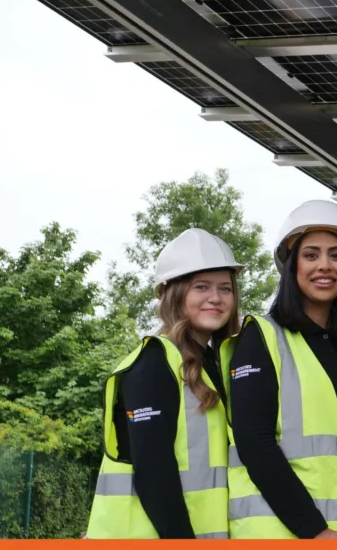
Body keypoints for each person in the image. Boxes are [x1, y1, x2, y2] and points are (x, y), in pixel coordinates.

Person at [220, 200, 337, 539]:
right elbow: (255, 443)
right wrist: (316, 532)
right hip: (278, 533)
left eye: (336, 255)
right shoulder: (261, 338)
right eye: (311, 255)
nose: (324, 266)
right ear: (291, 265)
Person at [86, 228, 243, 539]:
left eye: (225, 288)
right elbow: (153, 471)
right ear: (175, 294)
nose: (216, 298)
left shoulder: (214, 363)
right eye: (202, 287)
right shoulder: (154, 363)